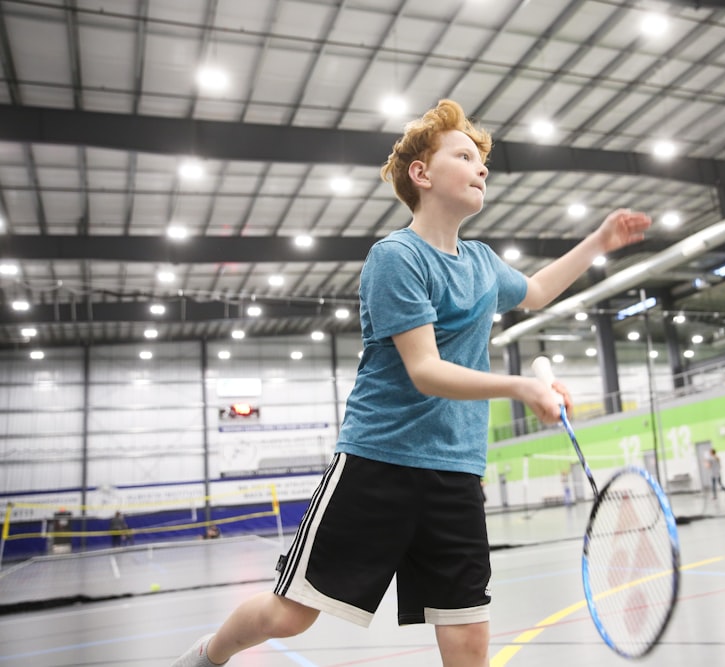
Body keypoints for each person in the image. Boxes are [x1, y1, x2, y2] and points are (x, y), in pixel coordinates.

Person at [172, 99, 650, 667]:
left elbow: (538, 291)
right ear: (422, 174)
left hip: (457, 470)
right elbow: (425, 371)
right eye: (466, 156)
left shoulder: (481, 262)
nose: (482, 169)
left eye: (483, 162)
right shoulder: (396, 258)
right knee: (291, 615)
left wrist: (598, 241)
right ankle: (209, 655)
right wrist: (521, 387)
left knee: (468, 631)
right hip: (380, 463)